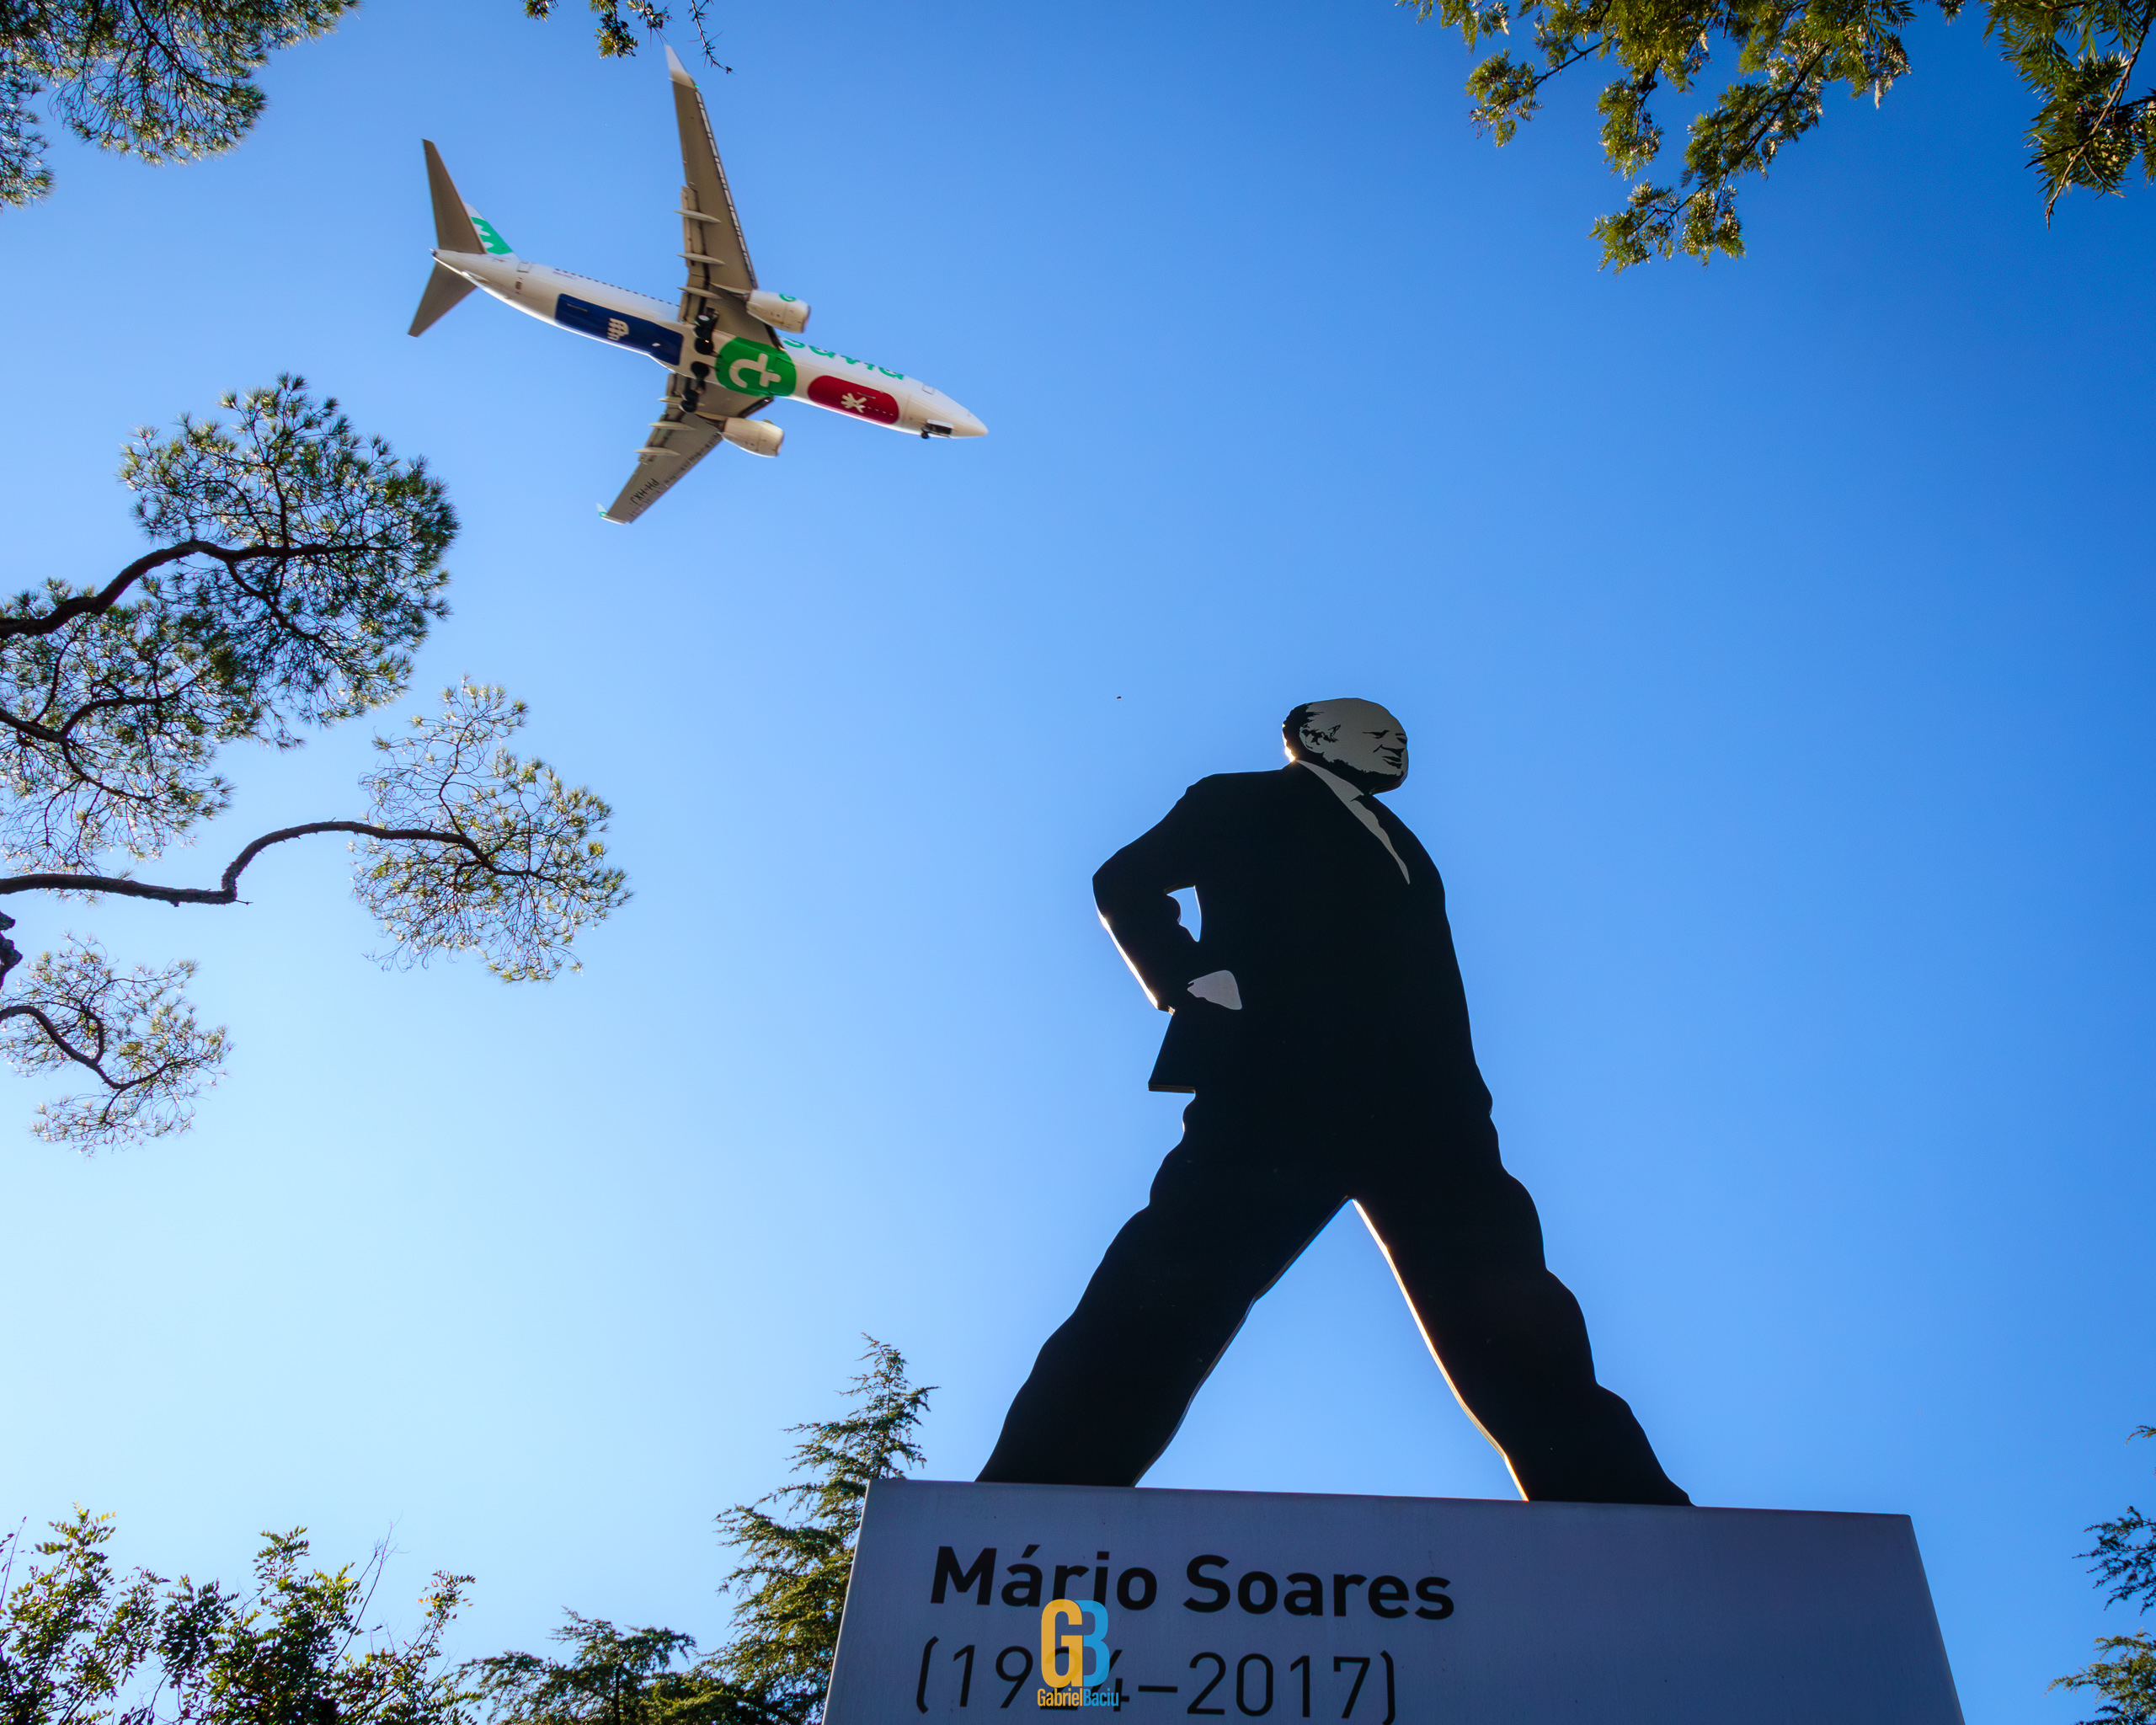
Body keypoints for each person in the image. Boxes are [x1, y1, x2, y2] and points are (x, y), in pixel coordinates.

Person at [975, 698, 1690, 1506]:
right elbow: (1126, 879)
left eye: (1401, 734)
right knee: (1171, 1290)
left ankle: (1617, 1506)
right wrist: (1190, 978)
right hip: (1281, 1088)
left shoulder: (1402, 845)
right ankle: (1034, 1496)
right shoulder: (1241, 798)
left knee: (1513, 1312)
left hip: (1429, 1114)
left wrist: (1464, 1096)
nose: (1395, 740)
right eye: (1373, 729)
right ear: (1311, 739)